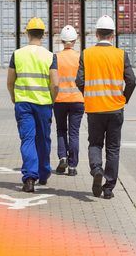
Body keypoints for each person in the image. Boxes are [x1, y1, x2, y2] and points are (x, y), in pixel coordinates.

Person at [76, 15, 136, 200]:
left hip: (94, 109)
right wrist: (124, 98)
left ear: (96, 34)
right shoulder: (120, 54)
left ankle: (96, 170)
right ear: (113, 35)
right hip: (115, 109)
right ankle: (108, 188)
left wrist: (88, 95)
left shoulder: (86, 54)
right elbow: (132, 80)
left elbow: (79, 80)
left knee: (95, 143)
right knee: (113, 149)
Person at [7, 17, 59, 193]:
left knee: (27, 139)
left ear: (27, 33)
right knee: (43, 139)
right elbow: (55, 83)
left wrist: (14, 97)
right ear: (43, 34)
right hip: (44, 104)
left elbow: (10, 81)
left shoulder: (17, 54)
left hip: (23, 103)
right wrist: (52, 99)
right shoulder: (50, 56)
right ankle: (43, 173)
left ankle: (29, 178)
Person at [53, 25, 85, 177]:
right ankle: (72, 167)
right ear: (75, 40)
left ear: (61, 40)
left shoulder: (56, 57)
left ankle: (62, 157)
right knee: (74, 133)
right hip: (77, 100)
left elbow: (52, 79)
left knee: (61, 130)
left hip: (59, 100)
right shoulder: (80, 57)